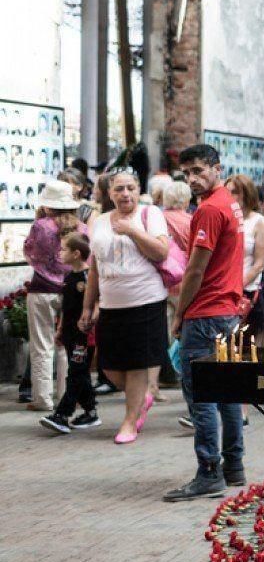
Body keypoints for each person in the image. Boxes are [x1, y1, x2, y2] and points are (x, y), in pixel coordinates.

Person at [165, 144, 247, 501]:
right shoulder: (229, 202)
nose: (193, 179)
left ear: (217, 168)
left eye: (199, 170)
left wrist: (180, 313)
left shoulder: (210, 210)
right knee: (226, 391)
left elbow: (196, 269)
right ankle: (234, 465)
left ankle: (209, 471)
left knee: (201, 395)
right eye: (187, 174)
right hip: (226, 310)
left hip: (206, 312)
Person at [83, 167, 170, 444]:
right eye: (118, 189)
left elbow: (161, 251)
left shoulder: (150, 214)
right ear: (109, 193)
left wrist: (132, 230)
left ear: (138, 190)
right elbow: (94, 268)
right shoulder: (101, 221)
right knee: (108, 366)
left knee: (136, 365)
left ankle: (129, 422)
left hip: (145, 299)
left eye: (130, 188)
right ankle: (141, 396)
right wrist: (88, 306)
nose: (125, 194)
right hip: (110, 304)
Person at [24, 182, 84, 412]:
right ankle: (66, 394)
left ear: (47, 205)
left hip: (42, 290)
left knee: (42, 344)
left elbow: (31, 253)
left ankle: (42, 398)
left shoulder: (41, 226)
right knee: (66, 344)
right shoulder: (82, 227)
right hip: (71, 290)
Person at [40, 232, 100, 434]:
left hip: (84, 335)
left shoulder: (88, 276)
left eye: (63, 249)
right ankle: (91, 412)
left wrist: (91, 321)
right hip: (69, 333)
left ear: (76, 253)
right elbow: (66, 308)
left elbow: (97, 303)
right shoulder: (68, 277)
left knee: (75, 374)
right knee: (79, 373)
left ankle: (62, 415)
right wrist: (59, 330)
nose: (59, 252)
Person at [226, 174, 264, 331]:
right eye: (226, 192)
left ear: (246, 194)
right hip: (222, 290)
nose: (229, 196)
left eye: (234, 192)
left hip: (246, 291)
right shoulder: (226, 218)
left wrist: (237, 286)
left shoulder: (259, 222)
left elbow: (259, 264)